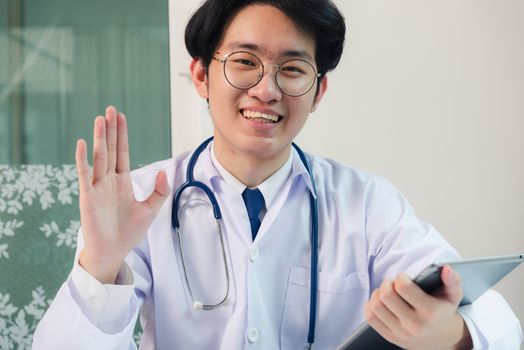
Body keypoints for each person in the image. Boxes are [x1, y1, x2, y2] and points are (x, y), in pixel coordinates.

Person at [33, 0, 522, 349]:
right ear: (201, 75)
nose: (266, 90)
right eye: (245, 62)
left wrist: (454, 338)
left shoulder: (369, 205)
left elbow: (494, 319)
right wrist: (100, 263)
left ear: (318, 90)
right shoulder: (144, 200)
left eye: (292, 69)